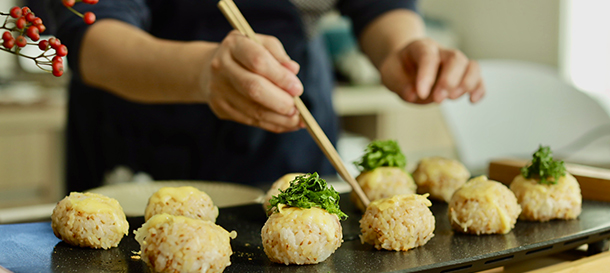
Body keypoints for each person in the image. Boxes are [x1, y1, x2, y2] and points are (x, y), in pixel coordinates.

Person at [46, 0, 485, 192]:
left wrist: (400, 47)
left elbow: (378, 4)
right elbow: (92, 35)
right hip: (137, 134)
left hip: (292, 132)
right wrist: (203, 74)